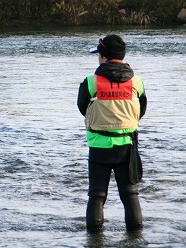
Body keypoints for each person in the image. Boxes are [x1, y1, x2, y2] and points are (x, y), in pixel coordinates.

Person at [77, 34, 147, 232]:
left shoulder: (90, 83)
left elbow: (82, 108)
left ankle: (94, 240)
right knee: (130, 194)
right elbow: (140, 111)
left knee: (97, 196)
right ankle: (135, 239)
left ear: (104, 57)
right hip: (127, 147)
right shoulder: (137, 83)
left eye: (98, 54)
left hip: (99, 147)